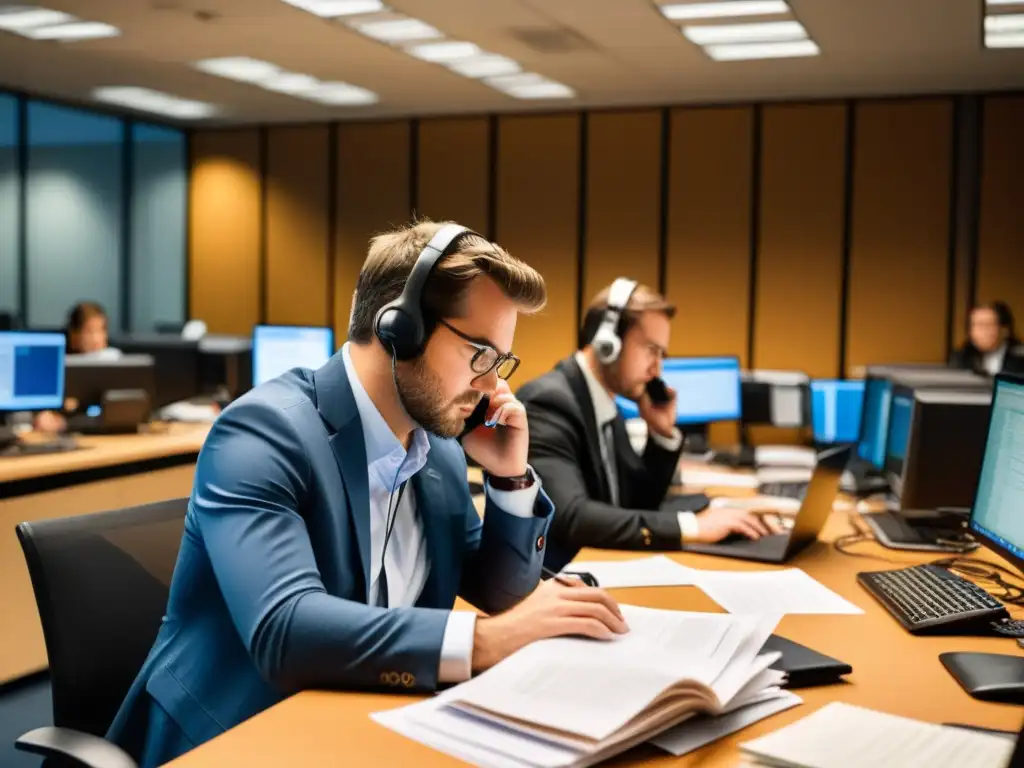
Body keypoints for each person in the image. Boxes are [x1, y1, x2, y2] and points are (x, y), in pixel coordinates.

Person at [107, 221, 628, 766]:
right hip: (235, 739)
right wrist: (483, 642)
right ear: (398, 328)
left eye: (500, 362)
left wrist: (510, 478)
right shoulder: (263, 433)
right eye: (480, 353)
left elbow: (501, 594)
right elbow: (285, 630)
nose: (493, 385)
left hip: (362, 723)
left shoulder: (439, 449)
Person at [517, 279, 779, 572]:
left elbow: (634, 503)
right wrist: (693, 526)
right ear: (608, 342)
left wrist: (661, 433)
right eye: (651, 350)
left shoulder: (602, 401)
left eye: (661, 355)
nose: (657, 369)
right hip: (553, 579)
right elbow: (572, 517)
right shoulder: (549, 403)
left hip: (602, 565)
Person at [30, 301, 120, 433]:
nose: (96, 338)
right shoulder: (57, 365)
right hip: (67, 433)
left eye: (101, 330)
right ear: (74, 335)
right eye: (89, 332)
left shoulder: (116, 360)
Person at [949, 301, 1024, 376]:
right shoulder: (961, 356)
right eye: (976, 325)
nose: (982, 331)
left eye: (988, 325)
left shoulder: (1020, 357)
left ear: (1004, 330)